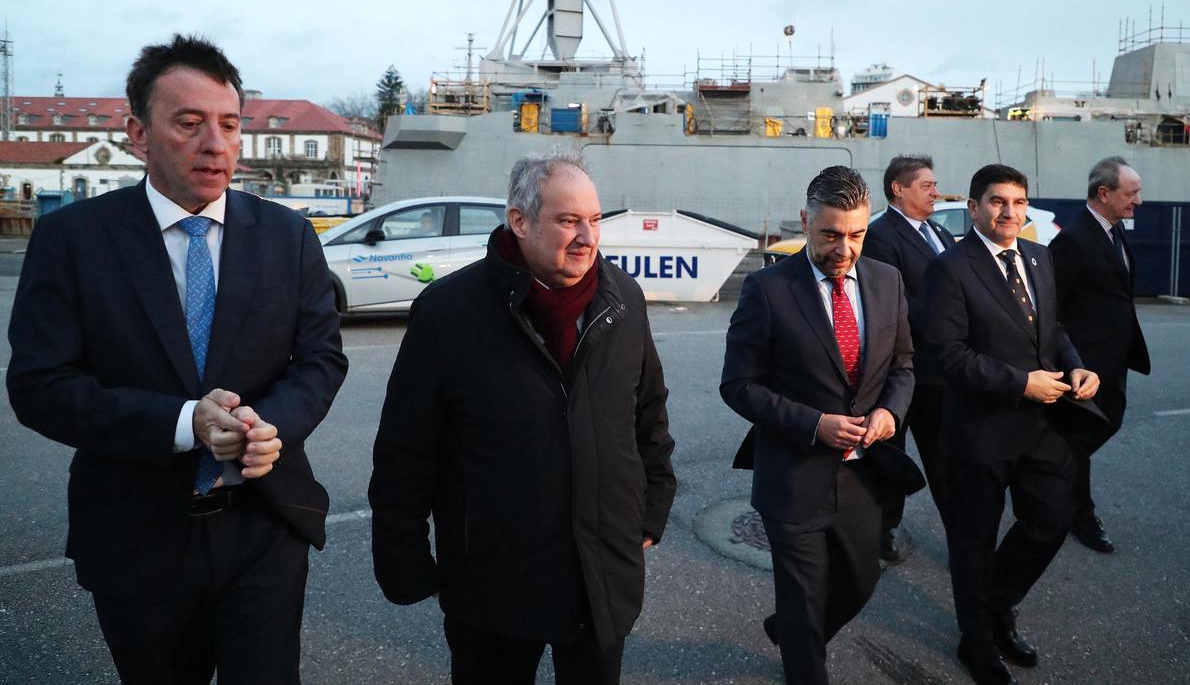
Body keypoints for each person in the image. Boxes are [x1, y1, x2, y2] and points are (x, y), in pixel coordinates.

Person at [6, 35, 348, 684]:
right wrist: (184, 421)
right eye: (188, 124)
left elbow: (321, 360)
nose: (214, 143)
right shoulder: (72, 240)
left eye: (228, 124)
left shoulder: (287, 237)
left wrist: (269, 424)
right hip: (137, 534)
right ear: (138, 133)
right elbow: (39, 385)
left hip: (263, 525)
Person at [369, 150, 676, 685]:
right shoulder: (449, 312)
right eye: (567, 220)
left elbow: (648, 411)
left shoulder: (621, 298)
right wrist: (408, 559)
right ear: (519, 221)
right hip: (494, 579)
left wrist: (651, 509)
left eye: (595, 219)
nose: (587, 237)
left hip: (600, 569)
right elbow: (406, 446)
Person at [721, 166, 915, 685]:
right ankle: (802, 654)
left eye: (856, 234)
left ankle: (791, 631)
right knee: (804, 606)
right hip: (794, 473)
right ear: (806, 221)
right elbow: (738, 386)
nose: (845, 248)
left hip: (863, 475)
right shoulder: (766, 289)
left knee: (860, 582)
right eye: (831, 234)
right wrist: (814, 425)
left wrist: (890, 413)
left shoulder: (887, 281)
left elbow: (902, 366)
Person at [922, 164, 1100, 685]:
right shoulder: (950, 268)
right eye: (998, 201)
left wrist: (1074, 364)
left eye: (1018, 202)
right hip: (977, 431)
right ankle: (976, 642)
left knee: (1051, 519)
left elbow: (1052, 328)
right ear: (974, 207)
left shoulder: (1040, 258)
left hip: (1038, 425)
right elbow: (946, 355)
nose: (1009, 212)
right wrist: (1021, 382)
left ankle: (995, 604)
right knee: (972, 542)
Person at [1048, 157, 1151, 554]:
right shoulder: (1075, 239)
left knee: (1101, 425)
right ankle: (1078, 512)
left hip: (1113, 358)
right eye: (1132, 193)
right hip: (1085, 365)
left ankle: (1053, 477)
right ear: (1103, 193)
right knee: (1078, 436)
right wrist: (1070, 361)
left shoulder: (1112, 231)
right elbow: (1051, 305)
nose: (1139, 201)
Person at [862, 154, 956, 562]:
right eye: (926, 185)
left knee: (946, 459)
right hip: (903, 369)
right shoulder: (881, 235)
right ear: (898, 189)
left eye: (935, 185)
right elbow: (890, 303)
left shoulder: (940, 232)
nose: (935, 191)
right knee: (892, 455)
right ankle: (883, 529)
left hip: (942, 370)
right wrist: (950, 315)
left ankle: (962, 533)